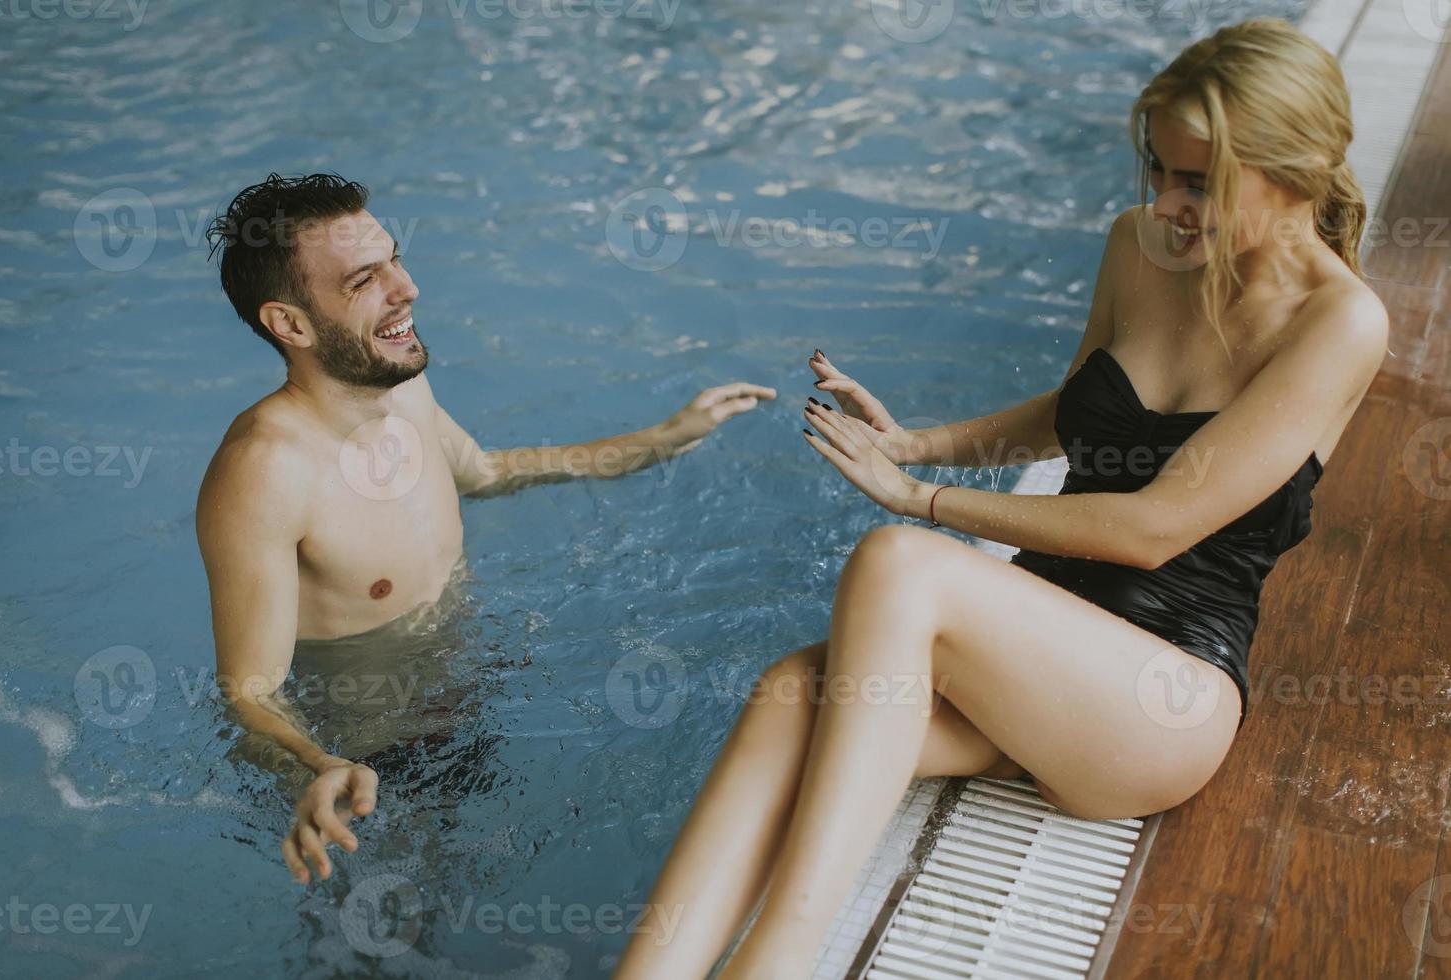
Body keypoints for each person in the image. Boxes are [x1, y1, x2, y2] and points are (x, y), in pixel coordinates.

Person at [615, 18, 1388, 978]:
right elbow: (1084, 413)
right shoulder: (1141, 245)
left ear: (1297, 169)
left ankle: (775, 963)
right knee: (790, 693)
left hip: (1159, 693)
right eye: (1158, 171)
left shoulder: (1339, 322)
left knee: (903, 563)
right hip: (1037, 660)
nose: (1166, 201)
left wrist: (920, 496)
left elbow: (1153, 528)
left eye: (1198, 181)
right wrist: (919, 444)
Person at [195, 172, 776, 887]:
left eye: (396, 260)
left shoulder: (399, 384)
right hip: (377, 769)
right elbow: (249, 691)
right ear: (291, 324)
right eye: (364, 280)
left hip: (479, 689)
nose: (407, 290)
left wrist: (661, 438)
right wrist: (319, 769)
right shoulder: (266, 473)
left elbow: (485, 472)